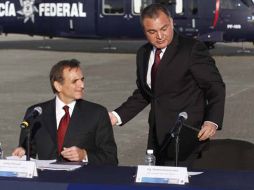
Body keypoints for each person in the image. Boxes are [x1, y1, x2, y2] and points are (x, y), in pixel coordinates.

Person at [109, 4, 225, 167]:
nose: (160, 36)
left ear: (171, 23)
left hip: (186, 138)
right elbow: (146, 93)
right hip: (156, 139)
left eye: (164, 28)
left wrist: (212, 121)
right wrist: (115, 116)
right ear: (145, 31)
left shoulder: (191, 49)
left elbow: (215, 86)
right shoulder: (143, 53)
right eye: (152, 32)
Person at [13, 59, 118, 165]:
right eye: (74, 81)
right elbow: (27, 152)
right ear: (58, 86)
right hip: (47, 179)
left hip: (81, 179)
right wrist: (22, 154)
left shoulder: (97, 113)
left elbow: (111, 158)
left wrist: (84, 155)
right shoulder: (36, 113)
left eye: (82, 79)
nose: (82, 85)